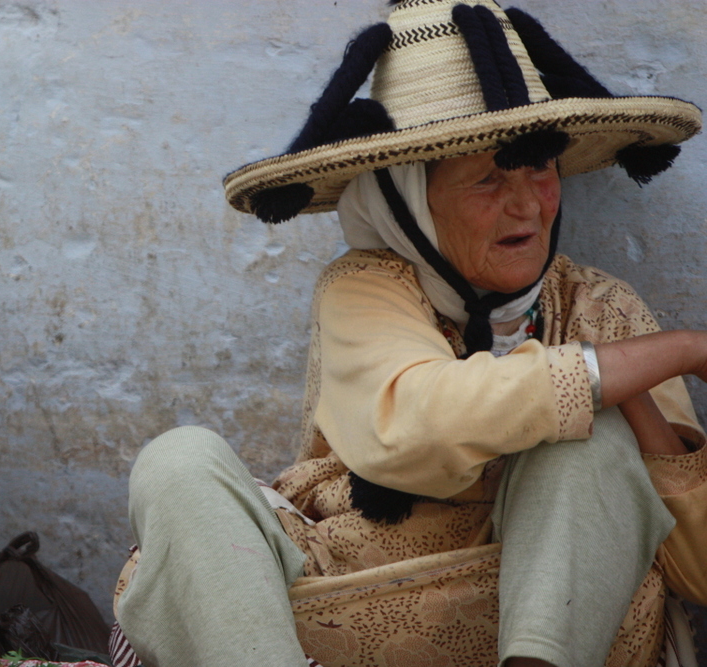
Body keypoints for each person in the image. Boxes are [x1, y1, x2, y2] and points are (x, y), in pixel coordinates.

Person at [111, 1, 707, 666]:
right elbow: (416, 422)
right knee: (176, 463)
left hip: (543, 613)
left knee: (592, 444)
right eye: (487, 178)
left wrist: (627, 396)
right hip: (352, 593)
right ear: (409, 202)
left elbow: (698, 568)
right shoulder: (367, 287)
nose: (525, 204)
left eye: (540, 169)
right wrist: (677, 352)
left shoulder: (603, 306)